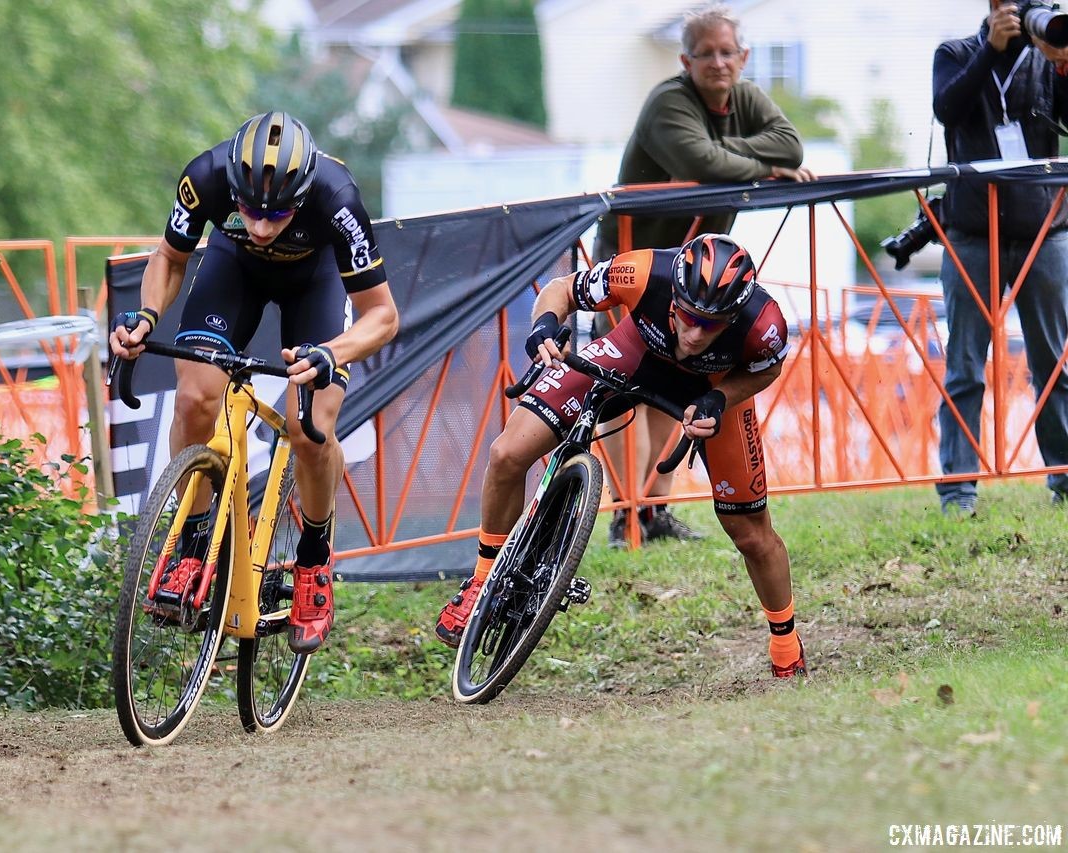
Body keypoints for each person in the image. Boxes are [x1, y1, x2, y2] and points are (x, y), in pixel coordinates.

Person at [436, 233, 807, 678]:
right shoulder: (644, 271)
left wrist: (723, 399)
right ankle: (482, 581)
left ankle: (785, 642)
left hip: (713, 387)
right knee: (507, 453)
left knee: (750, 533)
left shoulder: (764, 322)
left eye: (711, 325)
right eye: (688, 316)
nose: (694, 333)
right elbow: (560, 291)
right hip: (634, 353)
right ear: (674, 294)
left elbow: (768, 367)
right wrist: (543, 327)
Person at [110, 111, 399, 653]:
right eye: (250, 211)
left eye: (280, 213)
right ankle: (194, 544)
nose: (264, 227)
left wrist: (329, 353)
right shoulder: (206, 177)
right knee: (195, 398)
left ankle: (314, 560)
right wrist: (147, 315)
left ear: (305, 193)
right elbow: (169, 260)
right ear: (233, 188)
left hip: (313, 283)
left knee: (308, 428)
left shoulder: (338, 198)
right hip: (232, 270)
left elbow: (382, 316)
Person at [593, 3, 815, 548]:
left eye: (727, 52)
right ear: (685, 61)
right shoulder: (669, 100)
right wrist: (751, 164)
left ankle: (653, 511)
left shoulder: (745, 97)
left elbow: (791, 146)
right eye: (706, 53)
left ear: (743, 57)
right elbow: (701, 164)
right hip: (637, 262)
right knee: (626, 388)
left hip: (697, 272)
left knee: (674, 382)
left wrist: (723, 154)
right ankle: (628, 515)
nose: (718, 63)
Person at [932, 1, 1068, 515]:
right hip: (972, 232)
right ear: (993, 6)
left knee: (1053, 364)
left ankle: (1065, 477)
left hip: (1045, 232)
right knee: (965, 365)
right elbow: (948, 108)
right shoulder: (955, 52)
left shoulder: (1047, 59)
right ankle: (959, 491)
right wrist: (989, 51)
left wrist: (1062, 62)